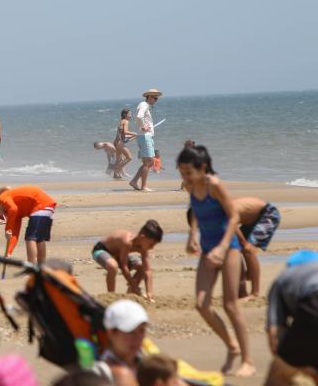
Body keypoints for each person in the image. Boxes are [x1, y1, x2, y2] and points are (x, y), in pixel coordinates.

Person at [178, 143, 255, 377]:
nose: (185, 178)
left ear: (202, 168)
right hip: (207, 249)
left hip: (228, 248)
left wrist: (223, 247)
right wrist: (192, 235)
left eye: (189, 172)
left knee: (230, 305)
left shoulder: (215, 185)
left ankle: (248, 361)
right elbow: (194, 211)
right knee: (201, 304)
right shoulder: (191, 185)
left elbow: (233, 216)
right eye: (181, 173)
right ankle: (231, 346)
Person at [187, 195, 281, 298]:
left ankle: (255, 292)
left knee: (247, 249)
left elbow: (235, 230)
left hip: (268, 214)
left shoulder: (219, 212)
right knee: (234, 250)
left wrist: (244, 244)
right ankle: (242, 290)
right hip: (251, 220)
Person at [264, 255, 318, 385]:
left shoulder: (283, 277)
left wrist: (282, 358)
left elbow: (274, 331)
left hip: (313, 303)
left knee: (279, 370)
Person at [0, 185, 56, 263]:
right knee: (39, 238)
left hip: (40, 205)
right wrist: (8, 252)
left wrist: (8, 228)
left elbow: (13, 209)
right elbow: (15, 233)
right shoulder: (13, 208)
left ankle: (32, 267)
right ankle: (41, 267)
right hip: (47, 204)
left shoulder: (3, 198)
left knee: (30, 238)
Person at [92, 220, 163, 301]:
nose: (152, 247)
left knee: (141, 267)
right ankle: (111, 296)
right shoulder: (127, 242)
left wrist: (149, 291)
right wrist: (134, 285)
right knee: (113, 266)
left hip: (119, 254)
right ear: (142, 237)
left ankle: (130, 294)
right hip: (101, 250)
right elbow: (123, 266)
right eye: (151, 244)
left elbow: (147, 270)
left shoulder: (144, 247)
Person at [93, 299, 149, 386]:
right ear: (111, 332)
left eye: (142, 330)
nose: (137, 338)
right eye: (130, 331)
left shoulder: (148, 364)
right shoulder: (102, 373)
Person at [130, 90, 161, 192]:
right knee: (149, 162)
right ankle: (144, 186)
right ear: (149, 97)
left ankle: (134, 181)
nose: (156, 100)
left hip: (144, 136)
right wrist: (143, 127)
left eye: (157, 98)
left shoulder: (144, 105)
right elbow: (139, 116)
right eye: (155, 98)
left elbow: (140, 118)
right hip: (145, 136)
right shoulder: (144, 105)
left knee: (147, 162)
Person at [113, 109, 137, 178]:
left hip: (116, 142)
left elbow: (123, 135)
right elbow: (126, 132)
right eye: (129, 114)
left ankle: (116, 175)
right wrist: (134, 133)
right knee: (129, 157)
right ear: (125, 115)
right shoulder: (126, 121)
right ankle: (117, 169)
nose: (131, 115)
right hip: (119, 143)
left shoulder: (122, 121)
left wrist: (134, 136)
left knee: (118, 159)